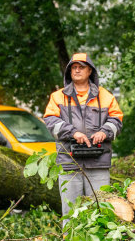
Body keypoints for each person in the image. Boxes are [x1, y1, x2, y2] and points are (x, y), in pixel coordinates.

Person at [43, 52, 123, 221]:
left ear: (90, 72)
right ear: (69, 71)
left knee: (101, 210)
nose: (77, 70)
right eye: (74, 67)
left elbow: (116, 120)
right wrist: (73, 132)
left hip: (98, 163)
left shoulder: (105, 96)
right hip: (69, 163)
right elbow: (50, 121)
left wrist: (104, 132)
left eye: (81, 67)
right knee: (70, 212)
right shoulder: (57, 97)